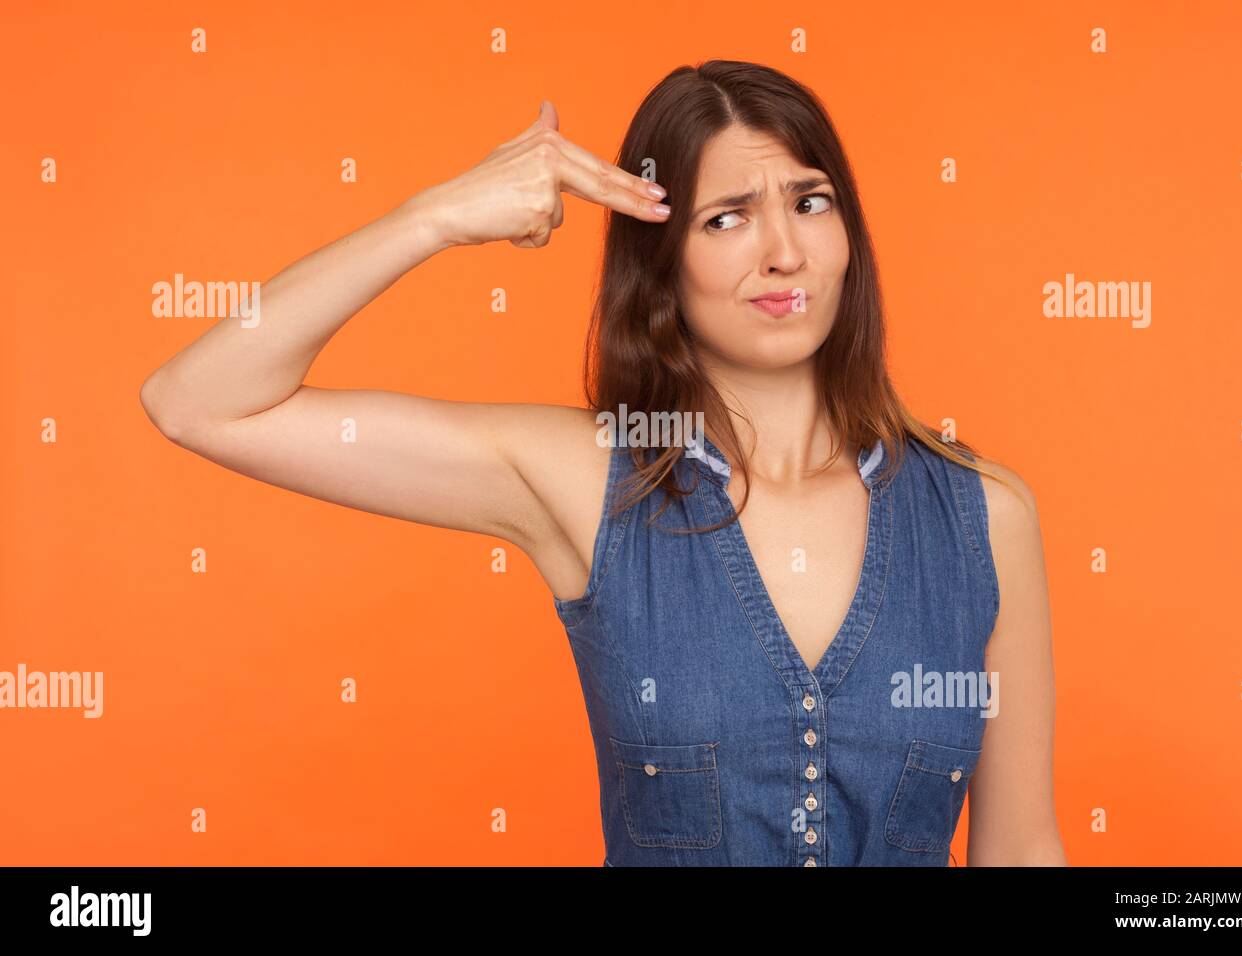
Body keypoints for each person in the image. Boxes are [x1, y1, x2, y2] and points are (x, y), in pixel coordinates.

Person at [140, 60, 1065, 867]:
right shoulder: (588, 482)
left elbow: (1022, 851)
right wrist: (433, 218)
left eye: (810, 202)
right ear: (659, 266)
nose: (785, 253)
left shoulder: (983, 515)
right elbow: (199, 402)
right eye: (726, 219)